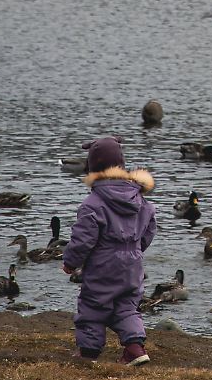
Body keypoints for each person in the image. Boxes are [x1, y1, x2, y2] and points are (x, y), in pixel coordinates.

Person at [61, 137, 157, 366]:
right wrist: (136, 250)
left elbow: (83, 239)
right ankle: (135, 348)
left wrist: (71, 262)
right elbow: (149, 229)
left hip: (103, 264)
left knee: (93, 305)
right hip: (132, 264)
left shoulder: (93, 203)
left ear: (93, 168)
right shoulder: (139, 198)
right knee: (127, 306)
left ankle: (88, 352)